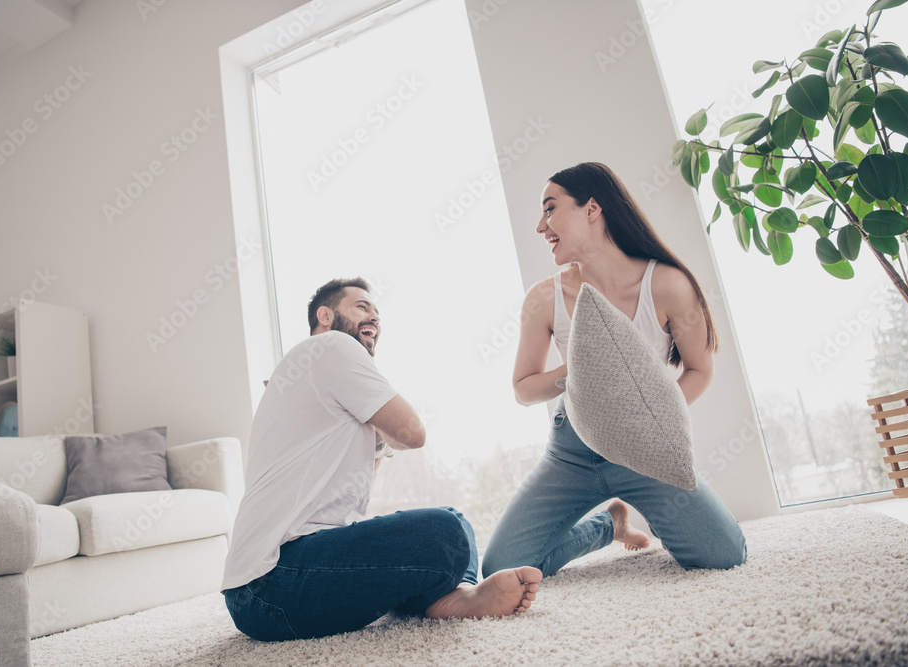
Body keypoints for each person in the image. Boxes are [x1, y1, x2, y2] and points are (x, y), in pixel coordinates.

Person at [223, 278, 542, 641]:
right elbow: (412, 433)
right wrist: (380, 429)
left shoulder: (304, 376)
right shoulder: (331, 345)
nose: (373, 314)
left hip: (269, 587)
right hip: (272, 583)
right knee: (445, 532)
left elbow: (355, 505)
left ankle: (455, 596)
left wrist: (373, 435)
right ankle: (441, 594)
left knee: (455, 518)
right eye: (361, 306)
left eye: (376, 310)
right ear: (324, 315)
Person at [482, 162, 747, 579]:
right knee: (500, 568)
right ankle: (609, 525)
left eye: (550, 209)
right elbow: (523, 388)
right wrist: (583, 368)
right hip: (570, 451)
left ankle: (652, 513)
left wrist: (652, 415)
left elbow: (700, 369)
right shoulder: (543, 297)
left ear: (592, 208)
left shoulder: (668, 285)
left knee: (723, 555)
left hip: (644, 448)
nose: (540, 226)